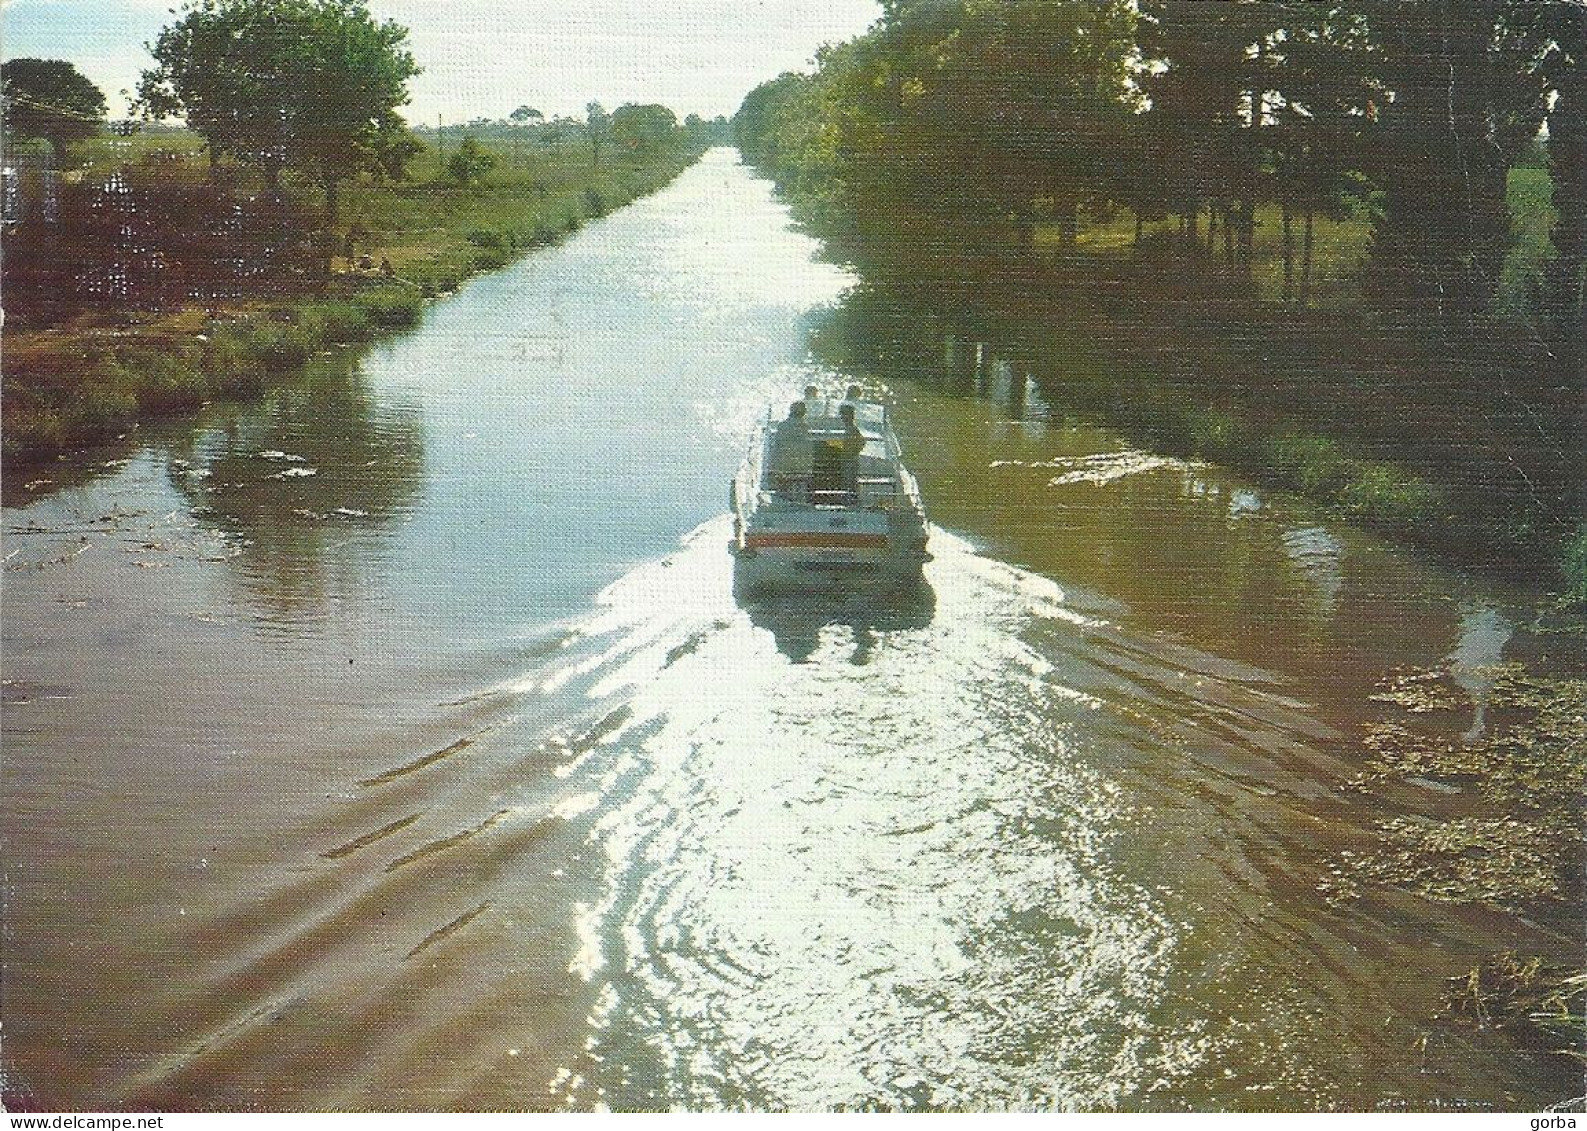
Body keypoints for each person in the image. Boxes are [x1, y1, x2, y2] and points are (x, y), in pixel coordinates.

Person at [767, 400, 812, 498]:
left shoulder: (782, 426)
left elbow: (776, 446)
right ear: (803, 413)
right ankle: (800, 499)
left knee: (783, 486)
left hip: (783, 465)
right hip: (801, 466)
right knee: (800, 481)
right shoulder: (805, 427)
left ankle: (782, 499)